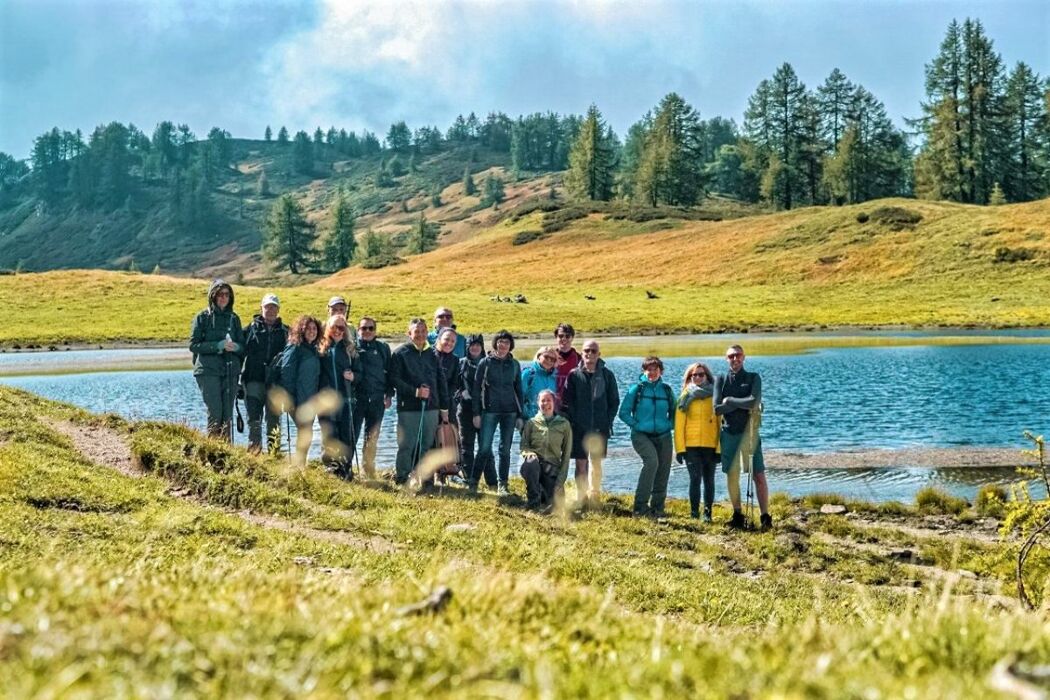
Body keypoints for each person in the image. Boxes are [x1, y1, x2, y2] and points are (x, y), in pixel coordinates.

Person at [714, 345, 771, 530]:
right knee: (732, 475)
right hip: (728, 433)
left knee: (758, 475)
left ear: (744, 357)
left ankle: (765, 517)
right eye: (731, 356)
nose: (735, 359)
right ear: (726, 359)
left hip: (750, 433)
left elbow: (754, 402)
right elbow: (716, 409)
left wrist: (729, 401)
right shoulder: (720, 379)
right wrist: (742, 404)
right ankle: (737, 514)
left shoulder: (753, 377)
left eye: (738, 355)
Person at [388, 318, 449, 486]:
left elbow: (440, 382)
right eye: (416, 332)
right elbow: (394, 380)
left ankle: (425, 479)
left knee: (426, 445)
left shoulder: (433, 354)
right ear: (409, 334)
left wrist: (444, 408)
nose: (420, 335)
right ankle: (402, 478)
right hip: (408, 408)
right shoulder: (400, 353)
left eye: (423, 331)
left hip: (431, 407)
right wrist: (415, 392)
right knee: (407, 445)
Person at [561, 339, 619, 507]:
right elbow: (567, 401)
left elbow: (614, 401)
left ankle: (594, 495)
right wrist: (573, 420)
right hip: (579, 428)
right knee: (580, 463)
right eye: (587, 350)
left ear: (599, 354)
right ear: (582, 353)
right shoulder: (573, 375)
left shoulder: (607, 375)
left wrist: (608, 421)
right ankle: (581, 496)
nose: (590, 354)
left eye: (593, 351)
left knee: (596, 463)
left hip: (600, 427)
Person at [619, 356, 676, 517]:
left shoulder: (667, 390)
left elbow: (675, 412)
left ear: (661, 371)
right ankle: (640, 507)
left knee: (663, 469)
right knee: (652, 463)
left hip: (664, 436)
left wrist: (669, 425)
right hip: (641, 435)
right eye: (648, 369)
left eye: (655, 369)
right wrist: (636, 424)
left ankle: (657, 508)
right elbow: (623, 413)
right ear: (644, 371)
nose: (651, 372)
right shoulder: (636, 389)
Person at [189, 279, 245, 441]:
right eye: (220, 294)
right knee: (215, 413)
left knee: (227, 416)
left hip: (230, 372)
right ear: (213, 296)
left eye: (227, 295)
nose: (223, 298)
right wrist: (217, 346)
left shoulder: (234, 319)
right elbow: (193, 345)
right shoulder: (202, 317)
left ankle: (227, 455)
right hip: (207, 371)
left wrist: (236, 347)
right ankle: (213, 453)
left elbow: (243, 347)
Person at [471, 330, 524, 495]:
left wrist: (520, 415)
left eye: (507, 343)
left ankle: (503, 485)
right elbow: (476, 390)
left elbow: (519, 390)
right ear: (495, 344)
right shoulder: (485, 363)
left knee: (505, 449)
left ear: (510, 346)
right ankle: (473, 483)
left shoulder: (514, 365)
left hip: (510, 412)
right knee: (484, 448)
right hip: (489, 411)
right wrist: (476, 414)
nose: (503, 346)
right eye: (500, 342)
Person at [240, 293, 288, 454]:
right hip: (253, 380)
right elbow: (239, 354)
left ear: (278, 309)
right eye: (267, 306)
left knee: (274, 420)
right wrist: (238, 382)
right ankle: (254, 452)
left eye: (274, 307)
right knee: (254, 419)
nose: (271, 310)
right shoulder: (249, 330)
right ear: (261, 308)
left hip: (275, 383)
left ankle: (274, 454)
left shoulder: (286, 332)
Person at [674, 362, 721, 521]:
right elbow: (679, 426)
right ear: (690, 377)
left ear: (707, 376)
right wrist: (680, 449)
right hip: (691, 446)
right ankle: (694, 513)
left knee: (709, 480)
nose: (698, 377)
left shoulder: (716, 395)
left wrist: (719, 449)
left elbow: (720, 423)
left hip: (710, 445)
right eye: (695, 375)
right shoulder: (684, 396)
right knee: (695, 479)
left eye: (701, 374)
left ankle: (707, 514)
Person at [318, 315, 362, 479]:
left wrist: (353, 377)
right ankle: (332, 468)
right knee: (329, 435)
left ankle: (345, 468)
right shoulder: (321, 348)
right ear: (328, 327)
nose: (337, 330)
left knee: (346, 435)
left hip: (346, 400)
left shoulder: (350, 349)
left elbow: (360, 374)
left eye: (341, 328)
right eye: (334, 327)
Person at [278, 315, 323, 466]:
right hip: (297, 399)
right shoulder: (295, 346)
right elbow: (286, 371)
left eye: (314, 329)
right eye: (308, 328)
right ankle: (298, 466)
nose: (312, 331)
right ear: (301, 330)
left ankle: (300, 465)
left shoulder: (314, 349)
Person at [519, 390, 572, 513]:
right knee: (531, 462)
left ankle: (543, 492)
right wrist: (528, 453)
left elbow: (566, 455)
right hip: (534, 465)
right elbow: (524, 445)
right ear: (538, 403)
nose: (545, 403)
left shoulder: (564, 424)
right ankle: (533, 502)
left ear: (554, 403)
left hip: (552, 469)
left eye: (549, 400)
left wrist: (560, 481)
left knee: (557, 506)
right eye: (542, 400)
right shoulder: (531, 423)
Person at [354, 316, 392, 479]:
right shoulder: (352, 347)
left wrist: (389, 394)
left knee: (373, 435)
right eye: (364, 328)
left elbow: (390, 373)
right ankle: (345, 466)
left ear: (375, 331)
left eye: (371, 328)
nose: (367, 331)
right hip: (357, 399)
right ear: (358, 330)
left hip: (377, 398)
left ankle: (368, 468)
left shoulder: (383, 348)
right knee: (352, 434)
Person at [457, 334, 497, 489]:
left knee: (486, 447)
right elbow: (454, 386)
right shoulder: (461, 364)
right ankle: (469, 480)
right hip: (465, 411)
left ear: (482, 347)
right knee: (466, 447)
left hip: (485, 411)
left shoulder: (488, 364)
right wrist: (461, 394)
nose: (474, 347)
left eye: (477, 345)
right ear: (467, 347)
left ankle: (492, 482)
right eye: (471, 345)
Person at [521, 347, 560, 419]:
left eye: (552, 359)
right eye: (546, 357)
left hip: (549, 420)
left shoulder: (554, 377)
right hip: (530, 420)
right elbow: (519, 397)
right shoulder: (528, 374)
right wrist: (526, 415)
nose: (549, 360)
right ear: (539, 357)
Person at [552, 323, 581, 402]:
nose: (564, 339)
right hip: (552, 403)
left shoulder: (579, 359)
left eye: (567, 336)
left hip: (573, 402)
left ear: (572, 338)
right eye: (561, 336)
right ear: (556, 337)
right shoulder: (548, 358)